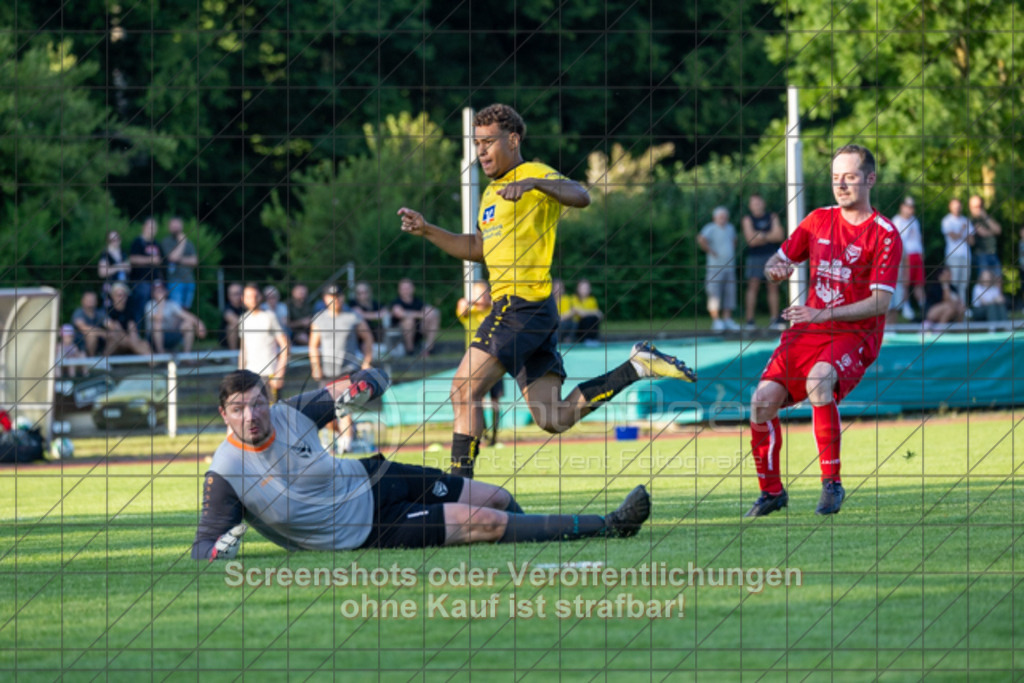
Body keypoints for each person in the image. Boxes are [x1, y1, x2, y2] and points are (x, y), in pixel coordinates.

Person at [398, 103, 696, 478]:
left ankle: (460, 489)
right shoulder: (492, 194)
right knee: (552, 418)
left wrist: (536, 183)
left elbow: (581, 195)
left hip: (519, 308)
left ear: (513, 139)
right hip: (534, 314)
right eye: (477, 144)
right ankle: (635, 367)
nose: (481, 151)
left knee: (463, 390)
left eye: (488, 142)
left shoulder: (533, 174)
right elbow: (478, 248)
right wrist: (427, 230)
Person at [191, 368, 651, 559]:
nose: (250, 415)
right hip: (369, 529)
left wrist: (365, 384)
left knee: (499, 497)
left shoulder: (293, 411)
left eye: (256, 403)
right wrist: (220, 548)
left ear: (267, 400)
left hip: (376, 477)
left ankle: (537, 549)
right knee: (485, 521)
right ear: (223, 414)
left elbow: (376, 379)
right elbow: (205, 547)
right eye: (238, 408)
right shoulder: (227, 472)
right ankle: (612, 524)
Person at [746, 144, 901, 518]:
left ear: (870, 179)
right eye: (836, 178)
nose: (841, 185)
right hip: (808, 329)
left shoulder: (884, 234)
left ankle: (831, 483)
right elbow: (777, 260)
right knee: (761, 401)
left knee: (819, 379)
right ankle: (772, 493)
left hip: (854, 334)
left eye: (849, 177)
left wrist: (820, 313)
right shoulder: (817, 220)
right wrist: (774, 270)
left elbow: (880, 303)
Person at [310, 284, 375, 453]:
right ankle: (348, 436)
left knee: (345, 408)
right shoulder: (319, 319)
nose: (335, 300)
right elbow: (313, 345)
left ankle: (346, 445)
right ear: (325, 299)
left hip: (348, 370)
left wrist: (367, 360)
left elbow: (367, 337)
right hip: (327, 371)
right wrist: (315, 366)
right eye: (331, 297)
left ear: (342, 298)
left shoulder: (353, 316)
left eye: (338, 296)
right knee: (328, 416)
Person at [456, 281, 504, 445]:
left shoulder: (494, 310)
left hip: (496, 360)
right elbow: (462, 307)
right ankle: (483, 434)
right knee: (477, 398)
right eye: (478, 293)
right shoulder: (470, 313)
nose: (482, 297)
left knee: (495, 400)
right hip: (476, 362)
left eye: (484, 293)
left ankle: (495, 436)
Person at [238, 283, 289, 401]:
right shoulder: (243, 319)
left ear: (260, 297)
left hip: (269, 374)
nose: (252, 300)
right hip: (250, 374)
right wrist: (240, 374)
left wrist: (280, 373)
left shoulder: (269, 316)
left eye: (255, 296)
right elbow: (243, 350)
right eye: (248, 297)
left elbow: (285, 344)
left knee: (273, 414)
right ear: (243, 299)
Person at [741, 194, 785, 328]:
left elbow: (779, 236)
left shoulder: (772, 217)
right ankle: (750, 321)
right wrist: (769, 235)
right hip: (755, 257)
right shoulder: (747, 219)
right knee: (753, 286)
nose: (757, 205)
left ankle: (774, 319)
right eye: (754, 203)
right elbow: (751, 240)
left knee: (773, 287)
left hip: (772, 256)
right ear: (750, 206)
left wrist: (761, 235)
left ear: (763, 203)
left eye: (758, 202)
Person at [697, 206, 740, 331]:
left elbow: (734, 240)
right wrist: (711, 251)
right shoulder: (710, 228)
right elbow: (701, 239)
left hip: (730, 268)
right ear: (715, 217)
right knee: (714, 294)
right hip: (715, 268)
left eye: (725, 216)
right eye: (720, 216)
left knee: (730, 294)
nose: (723, 218)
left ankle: (727, 320)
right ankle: (716, 321)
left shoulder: (730, 228)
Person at [144, 280, 207, 353]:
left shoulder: (171, 304)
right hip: (153, 340)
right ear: (152, 293)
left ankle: (187, 356)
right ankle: (161, 354)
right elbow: (158, 318)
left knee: (188, 324)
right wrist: (161, 303)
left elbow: (186, 315)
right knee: (157, 324)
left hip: (170, 336)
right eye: (157, 290)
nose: (159, 292)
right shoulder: (149, 305)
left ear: (165, 291)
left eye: (161, 290)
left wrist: (199, 323)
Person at [890, 196, 925, 319]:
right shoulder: (896, 221)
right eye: (908, 207)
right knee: (905, 283)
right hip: (905, 256)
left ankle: (923, 309)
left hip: (916, 255)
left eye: (912, 207)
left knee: (919, 283)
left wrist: (921, 253)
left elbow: (918, 238)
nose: (911, 210)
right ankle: (906, 307)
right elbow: (897, 242)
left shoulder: (914, 220)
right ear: (902, 207)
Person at [389, 278, 440, 356]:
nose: (406, 290)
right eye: (404, 288)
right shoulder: (396, 302)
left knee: (434, 316)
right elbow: (399, 313)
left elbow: (431, 311)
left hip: (419, 329)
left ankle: (429, 348)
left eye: (408, 288)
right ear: (399, 290)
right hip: (401, 333)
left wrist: (425, 314)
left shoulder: (418, 302)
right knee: (408, 321)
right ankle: (410, 350)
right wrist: (420, 314)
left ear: (413, 289)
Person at [128, 217, 165, 325]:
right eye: (150, 226)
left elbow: (161, 261)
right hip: (140, 281)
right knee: (140, 308)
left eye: (154, 227)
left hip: (155, 281)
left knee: (156, 306)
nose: (152, 229)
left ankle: (152, 336)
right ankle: (138, 334)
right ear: (144, 227)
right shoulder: (137, 242)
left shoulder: (157, 244)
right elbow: (132, 259)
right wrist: (150, 259)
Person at [104, 282, 152, 356]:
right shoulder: (108, 311)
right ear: (113, 296)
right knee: (114, 335)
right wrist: (132, 342)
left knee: (145, 344)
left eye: (124, 295)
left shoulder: (130, 310)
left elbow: (132, 328)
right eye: (119, 295)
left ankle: (152, 361)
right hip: (116, 342)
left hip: (128, 342)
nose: (122, 298)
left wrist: (134, 341)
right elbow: (113, 327)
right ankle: (154, 361)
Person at [161, 216, 199, 309]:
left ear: (181, 227)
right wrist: (182, 242)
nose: (175, 228)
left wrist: (180, 259)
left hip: (189, 280)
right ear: (169, 227)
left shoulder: (189, 243)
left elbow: (195, 261)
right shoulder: (166, 241)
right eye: (173, 226)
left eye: (177, 226)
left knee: (186, 310)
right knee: (176, 310)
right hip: (174, 281)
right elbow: (172, 258)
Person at [941, 199, 973, 302]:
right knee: (953, 282)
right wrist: (963, 230)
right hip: (953, 255)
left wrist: (960, 234)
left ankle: (962, 307)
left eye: (958, 206)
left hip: (966, 256)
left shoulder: (966, 220)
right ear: (950, 207)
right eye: (954, 206)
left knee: (964, 284)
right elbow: (953, 237)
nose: (957, 209)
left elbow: (972, 241)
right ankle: (953, 306)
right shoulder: (947, 220)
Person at [969, 195, 1002, 277]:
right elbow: (983, 233)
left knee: (998, 280)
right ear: (970, 207)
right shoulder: (971, 220)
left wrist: (985, 217)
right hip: (981, 255)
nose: (978, 209)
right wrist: (993, 231)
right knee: (985, 281)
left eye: (980, 206)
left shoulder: (987, 218)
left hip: (994, 253)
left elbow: (998, 230)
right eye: (975, 207)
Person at [97, 230, 130, 305]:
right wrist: (118, 267)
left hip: (124, 286)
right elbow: (102, 272)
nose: (115, 241)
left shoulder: (123, 253)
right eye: (112, 239)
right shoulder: (105, 254)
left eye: (117, 238)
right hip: (110, 288)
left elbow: (129, 268)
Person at [71, 291, 108, 356]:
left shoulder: (100, 313)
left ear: (96, 301)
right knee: (91, 335)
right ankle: (91, 361)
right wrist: (101, 332)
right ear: (82, 301)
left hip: (100, 342)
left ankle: (104, 359)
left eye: (92, 299)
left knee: (114, 335)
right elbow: (84, 328)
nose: (90, 301)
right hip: (80, 344)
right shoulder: (78, 313)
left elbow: (111, 325)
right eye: (88, 299)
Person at [569, 279, 604, 345]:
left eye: (586, 288)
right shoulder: (573, 299)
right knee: (587, 319)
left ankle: (593, 339)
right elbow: (581, 314)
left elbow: (600, 315)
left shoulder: (592, 300)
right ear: (578, 289)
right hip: (578, 326)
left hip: (590, 325)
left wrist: (593, 313)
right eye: (582, 288)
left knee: (593, 319)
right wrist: (593, 312)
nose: (585, 290)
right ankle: (586, 340)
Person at [220, 282, 245, 350]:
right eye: (235, 294)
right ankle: (233, 356)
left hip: (245, 336)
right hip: (227, 341)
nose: (238, 296)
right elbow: (235, 321)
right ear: (229, 296)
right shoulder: (227, 308)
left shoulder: (247, 307)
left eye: (239, 293)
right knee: (232, 327)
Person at [552, 279, 576, 343]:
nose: (559, 290)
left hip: (564, 323)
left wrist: (559, 318)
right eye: (556, 288)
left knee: (570, 323)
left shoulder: (566, 299)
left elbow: (571, 313)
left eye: (561, 288)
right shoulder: (549, 300)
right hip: (554, 323)